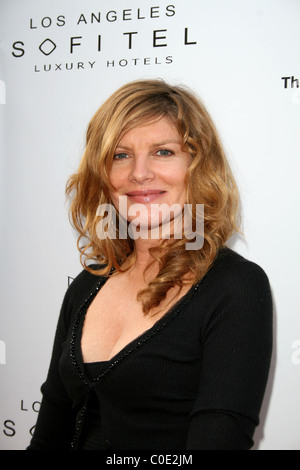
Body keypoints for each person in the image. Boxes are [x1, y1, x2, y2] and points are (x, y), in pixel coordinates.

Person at [28, 79, 273, 450]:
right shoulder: (86, 284)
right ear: (103, 175)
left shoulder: (235, 285)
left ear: (198, 165)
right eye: (120, 155)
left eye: (162, 151)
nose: (139, 173)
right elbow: (48, 437)